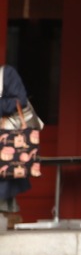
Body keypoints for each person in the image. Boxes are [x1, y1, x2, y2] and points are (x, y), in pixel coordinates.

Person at [0, 65, 41, 227]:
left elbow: (20, 100)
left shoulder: (6, 74)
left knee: (4, 179)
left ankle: (8, 218)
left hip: (5, 139)